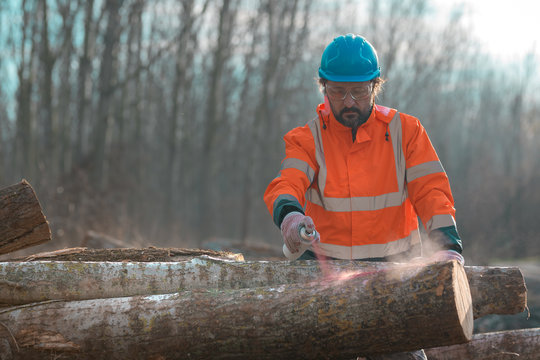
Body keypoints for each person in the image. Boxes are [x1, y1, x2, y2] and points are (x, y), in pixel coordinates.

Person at [263, 34, 464, 360]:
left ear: (375, 86)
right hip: (325, 279)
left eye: (359, 91)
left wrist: (448, 247)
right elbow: (287, 183)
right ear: (323, 87)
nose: (349, 101)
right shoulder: (307, 138)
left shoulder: (406, 132)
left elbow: (432, 192)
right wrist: (290, 216)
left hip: (395, 277)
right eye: (338, 92)